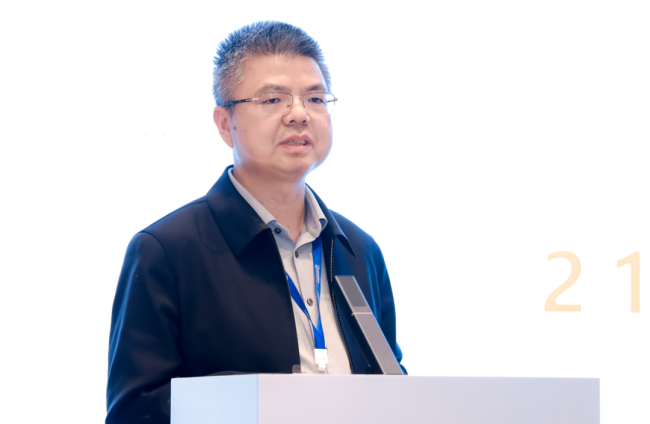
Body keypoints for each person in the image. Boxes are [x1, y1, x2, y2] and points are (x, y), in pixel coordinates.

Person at [106, 21, 405, 423]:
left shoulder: (359, 249)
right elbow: (135, 411)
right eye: (273, 99)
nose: (299, 114)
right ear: (224, 124)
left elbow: (392, 387)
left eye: (315, 98)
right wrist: (256, 401)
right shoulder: (166, 251)